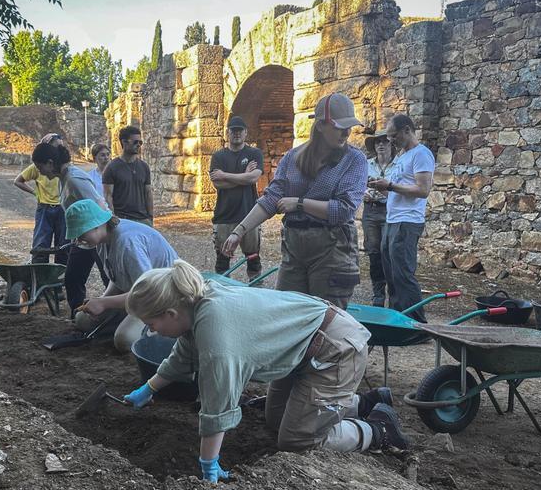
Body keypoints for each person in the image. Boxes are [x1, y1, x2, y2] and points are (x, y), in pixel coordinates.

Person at [120, 259, 409, 483]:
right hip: (302, 350)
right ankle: (363, 402)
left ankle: (378, 429)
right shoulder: (194, 300)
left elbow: (218, 403)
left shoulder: (217, 336)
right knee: (275, 420)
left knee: (297, 441)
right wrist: (149, 388)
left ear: (171, 314)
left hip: (336, 351)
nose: (151, 330)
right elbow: (184, 353)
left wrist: (208, 465)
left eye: (152, 324)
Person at [222, 92, 368, 308]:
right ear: (320, 126)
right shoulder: (292, 158)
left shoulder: (354, 160)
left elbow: (344, 210)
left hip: (333, 251)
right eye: (339, 127)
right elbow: (271, 199)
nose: (347, 132)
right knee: (286, 313)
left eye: (349, 126)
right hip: (294, 249)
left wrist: (299, 203)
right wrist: (239, 231)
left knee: (323, 319)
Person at [65, 199, 177, 353]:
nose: (78, 240)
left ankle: (163, 329)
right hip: (139, 291)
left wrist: (104, 304)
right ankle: (125, 320)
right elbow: (117, 277)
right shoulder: (102, 240)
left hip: (162, 295)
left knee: (125, 340)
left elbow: (147, 292)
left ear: (96, 225)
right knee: (82, 320)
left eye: (81, 233)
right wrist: (102, 300)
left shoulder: (127, 243)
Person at [31, 142, 109, 317]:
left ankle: (114, 320)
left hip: (97, 236)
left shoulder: (74, 179)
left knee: (109, 278)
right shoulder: (63, 178)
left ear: (50, 163)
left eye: (40, 167)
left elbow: (99, 205)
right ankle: (78, 317)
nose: (39, 172)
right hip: (82, 239)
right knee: (72, 279)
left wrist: (102, 235)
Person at [368, 114, 434, 322]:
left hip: (408, 221)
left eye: (393, 136)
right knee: (391, 273)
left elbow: (423, 190)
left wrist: (390, 185)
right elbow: (398, 191)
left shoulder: (421, 154)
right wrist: (381, 187)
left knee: (403, 274)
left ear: (407, 130)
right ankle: (398, 317)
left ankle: (416, 323)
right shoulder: (403, 156)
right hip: (393, 218)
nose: (390, 141)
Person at [209, 116, 264, 280]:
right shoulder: (218, 156)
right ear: (228, 133)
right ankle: (223, 290)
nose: (236, 134)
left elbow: (253, 178)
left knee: (253, 258)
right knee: (222, 260)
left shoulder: (254, 153)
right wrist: (243, 176)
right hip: (224, 215)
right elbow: (218, 184)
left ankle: (256, 290)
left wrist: (225, 175)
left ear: (246, 133)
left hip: (249, 215)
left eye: (240, 130)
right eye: (233, 130)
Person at [14, 133, 68, 265]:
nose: (58, 151)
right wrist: (35, 193)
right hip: (44, 209)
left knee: (64, 246)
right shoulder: (37, 167)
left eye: (60, 147)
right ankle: (39, 278)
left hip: (63, 210)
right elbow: (18, 181)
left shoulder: (64, 168)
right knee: (40, 246)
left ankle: (59, 280)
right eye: (55, 147)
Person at [362, 130, 395, 307]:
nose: (381, 145)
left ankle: (394, 293)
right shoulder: (367, 164)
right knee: (374, 252)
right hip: (371, 210)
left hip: (390, 210)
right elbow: (357, 185)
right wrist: (363, 193)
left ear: (391, 145)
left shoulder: (398, 165)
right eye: (377, 142)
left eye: (385, 141)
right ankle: (378, 294)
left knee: (389, 252)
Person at [103, 126, 153, 226]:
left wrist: (150, 217)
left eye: (140, 142)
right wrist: (113, 218)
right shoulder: (112, 167)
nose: (138, 145)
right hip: (122, 220)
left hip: (143, 220)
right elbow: (108, 196)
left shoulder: (144, 167)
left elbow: (148, 193)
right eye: (135, 142)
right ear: (124, 142)